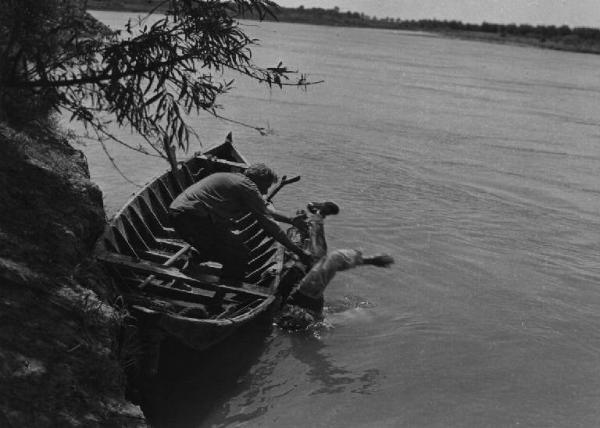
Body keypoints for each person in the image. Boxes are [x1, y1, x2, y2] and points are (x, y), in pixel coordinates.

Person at [168, 163, 312, 285]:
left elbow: (265, 210)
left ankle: (188, 265)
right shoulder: (248, 187)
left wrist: (291, 220)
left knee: (220, 246)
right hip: (192, 218)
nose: (266, 191)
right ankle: (218, 299)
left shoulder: (233, 179)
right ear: (258, 181)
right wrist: (297, 250)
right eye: (266, 186)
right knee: (239, 255)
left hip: (177, 213)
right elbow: (269, 223)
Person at [276, 202, 394, 330]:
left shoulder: (305, 293)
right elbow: (334, 259)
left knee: (318, 257)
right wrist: (370, 260)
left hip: (298, 301)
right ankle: (318, 215)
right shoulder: (307, 294)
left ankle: (318, 215)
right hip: (300, 301)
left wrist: (370, 260)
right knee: (319, 257)